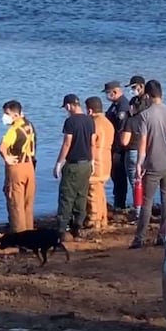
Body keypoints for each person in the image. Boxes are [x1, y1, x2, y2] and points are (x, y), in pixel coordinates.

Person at [130, 80, 166, 249]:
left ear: (147, 95)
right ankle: (163, 235)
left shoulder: (145, 115)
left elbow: (143, 143)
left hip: (153, 163)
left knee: (147, 201)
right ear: (161, 94)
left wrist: (139, 163)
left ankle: (139, 238)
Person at [53, 94, 96, 241]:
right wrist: (93, 161)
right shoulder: (89, 120)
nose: (66, 110)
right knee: (81, 196)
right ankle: (77, 227)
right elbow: (92, 143)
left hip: (73, 165)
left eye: (66, 107)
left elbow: (67, 144)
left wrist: (59, 163)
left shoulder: (70, 122)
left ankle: (61, 230)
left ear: (69, 105)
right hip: (86, 164)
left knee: (66, 196)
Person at [0, 100, 36, 233]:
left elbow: (2, 147)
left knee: (16, 203)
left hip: (17, 168)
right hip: (29, 166)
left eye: (7, 113)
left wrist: (7, 159)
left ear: (15, 115)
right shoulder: (29, 125)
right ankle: (29, 230)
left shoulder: (13, 130)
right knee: (28, 203)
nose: (4, 116)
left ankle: (19, 233)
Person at [84, 96, 114, 230]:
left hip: (96, 162)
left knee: (92, 192)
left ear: (90, 110)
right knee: (100, 191)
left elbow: (91, 143)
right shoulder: (107, 122)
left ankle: (94, 220)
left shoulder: (94, 124)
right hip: (107, 160)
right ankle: (103, 219)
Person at [104, 81, 132, 211]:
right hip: (114, 146)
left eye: (108, 93)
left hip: (119, 148)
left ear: (114, 92)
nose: (107, 96)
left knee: (119, 176)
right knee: (115, 175)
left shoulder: (122, 105)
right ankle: (118, 201)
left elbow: (121, 128)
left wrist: (117, 147)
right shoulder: (115, 105)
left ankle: (120, 203)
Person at [119, 106, 144, 222]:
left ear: (132, 107)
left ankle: (138, 212)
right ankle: (145, 209)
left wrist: (120, 134)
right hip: (147, 153)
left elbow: (125, 141)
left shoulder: (131, 121)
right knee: (145, 182)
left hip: (133, 152)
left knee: (135, 183)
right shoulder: (146, 119)